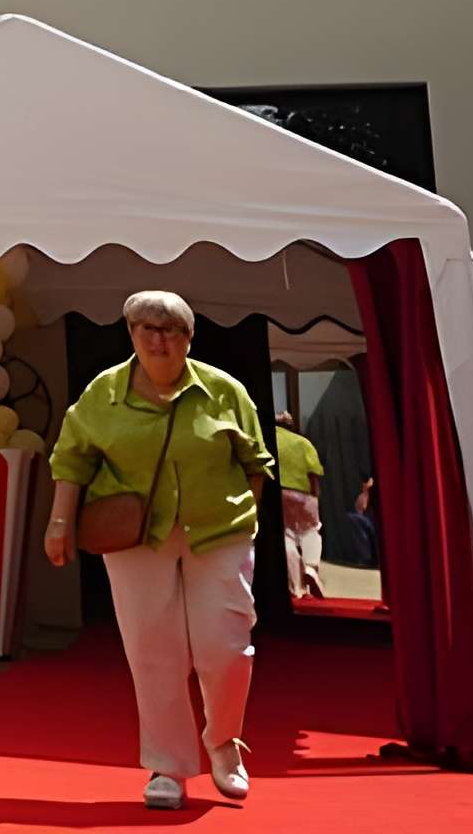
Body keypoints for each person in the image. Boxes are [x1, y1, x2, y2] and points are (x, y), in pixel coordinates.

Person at [44, 290, 272, 812]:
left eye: (171, 329)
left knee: (227, 650)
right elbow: (71, 459)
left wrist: (245, 518)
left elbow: (256, 460)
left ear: (190, 338)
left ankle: (223, 742)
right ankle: (167, 766)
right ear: (129, 333)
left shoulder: (224, 390)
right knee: (153, 652)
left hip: (218, 531)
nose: (158, 338)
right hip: (134, 538)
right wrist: (59, 522)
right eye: (146, 327)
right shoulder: (104, 393)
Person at [272, 410, 326, 594]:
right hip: (302, 493)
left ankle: (295, 586)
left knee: (287, 536)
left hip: (278, 493)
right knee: (311, 530)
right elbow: (313, 473)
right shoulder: (303, 443)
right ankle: (310, 567)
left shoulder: (268, 441)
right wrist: (315, 496)